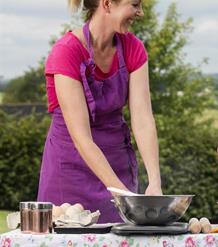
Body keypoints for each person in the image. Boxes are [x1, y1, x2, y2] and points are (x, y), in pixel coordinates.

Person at [37, 0, 162, 223]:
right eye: (134, 4)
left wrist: (155, 182)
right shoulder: (66, 52)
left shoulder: (134, 48)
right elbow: (82, 138)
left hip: (117, 165)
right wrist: (123, 195)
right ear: (107, 4)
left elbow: (142, 120)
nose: (140, 13)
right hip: (69, 173)